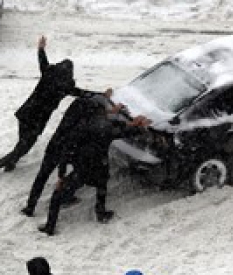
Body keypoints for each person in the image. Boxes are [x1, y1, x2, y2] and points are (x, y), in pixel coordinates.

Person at [37, 100, 150, 235]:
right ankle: (101, 214)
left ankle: (50, 225)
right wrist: (139, 127)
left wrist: (61, 176)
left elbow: (66, 153)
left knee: (58, 193)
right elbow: (121, 131)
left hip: (82, 167)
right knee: (101, 188)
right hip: (99, 167)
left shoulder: (81, 127)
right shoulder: (106, 127)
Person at [0, 35, 97, 175]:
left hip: (26, 113)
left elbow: (42, 60)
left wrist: (41, 48)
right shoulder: (65, 86)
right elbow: (82, 93)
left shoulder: (48, 73)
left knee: (23, 142)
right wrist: (101, 95)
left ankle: (11, 163)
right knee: (25, 146)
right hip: (37, 120)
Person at [20, 91, 114, 217]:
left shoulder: (77, 105)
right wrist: (112, 109)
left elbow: (85, 95)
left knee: (43, 175)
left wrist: (102, 95)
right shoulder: (90, 113)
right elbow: (100, 117)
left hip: (55, 144)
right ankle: (66, 199)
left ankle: (30, 207)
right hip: (71, 148)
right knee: (79, 174)